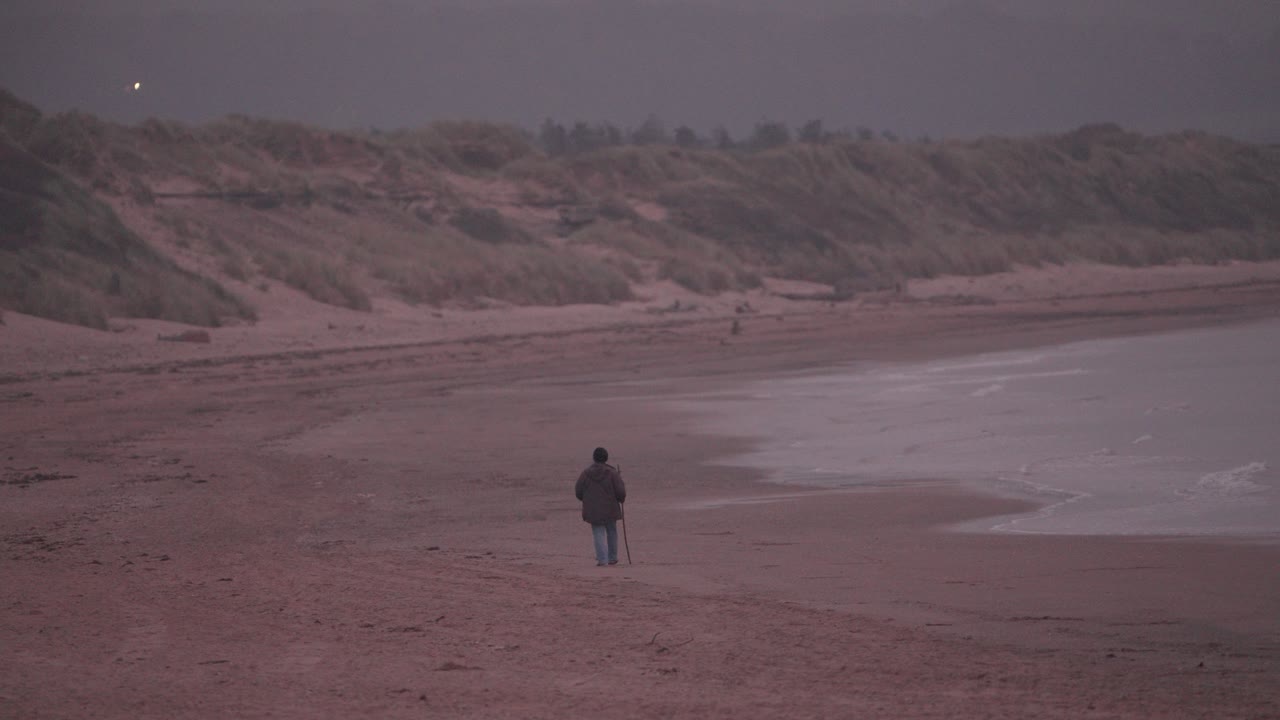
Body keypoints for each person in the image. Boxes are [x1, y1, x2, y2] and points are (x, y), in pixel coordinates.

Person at [574, 447, 626, 566]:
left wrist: (587, 501)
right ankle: (612, 557)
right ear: (606, 458)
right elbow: (620, 491)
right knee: (612, 531)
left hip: (593, 510)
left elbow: (578, 491)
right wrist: (621, 499)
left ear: (594, 458)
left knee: (598, 532)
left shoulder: (586, 473)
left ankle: (602, 560)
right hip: (610, 508)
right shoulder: (612, 473)